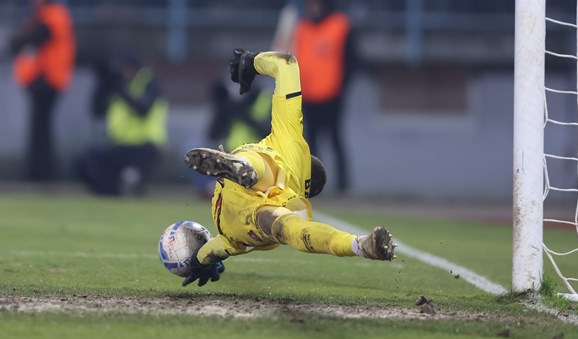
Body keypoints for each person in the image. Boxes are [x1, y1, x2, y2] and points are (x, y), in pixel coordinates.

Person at [181, 49, 395, 287]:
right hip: (251, 218)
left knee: (265, 166)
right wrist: (202, 259)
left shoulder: (291, 141)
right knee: (289, 229)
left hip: (245, 181)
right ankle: (359, 245)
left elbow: (287, 63)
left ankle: (245, 167)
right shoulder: (296, 198)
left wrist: (252, 62)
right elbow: (218, 247)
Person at [76, 50, 167, 196]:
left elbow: (143, 110)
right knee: (84, 162)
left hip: (145, 147)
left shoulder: (149, 83)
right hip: (119, 146)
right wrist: (102, 86)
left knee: (131, 175)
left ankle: (130, 187)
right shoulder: (117, 85)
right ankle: (113, 194)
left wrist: (120, 90)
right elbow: (97, 111)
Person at [292, 0, 357, 192]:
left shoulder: (339, 25)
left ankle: (342, 186)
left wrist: (341, 87)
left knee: (335, 138)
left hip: (332, 96)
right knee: (310, 144)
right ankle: (312, 185)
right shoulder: (301, 27)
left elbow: (352, 60)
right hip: (308, 96)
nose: (312, 8)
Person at [10, 0, 75, 182]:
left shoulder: (55, 15)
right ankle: (39, 173)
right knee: (40, 127)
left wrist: (19, 39)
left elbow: (40, 35)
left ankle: (42, 174)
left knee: (41, 128)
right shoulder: (44, 16)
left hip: (50, 79)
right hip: (43, 78)